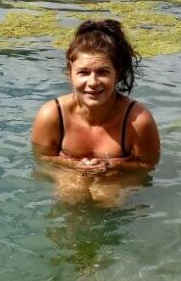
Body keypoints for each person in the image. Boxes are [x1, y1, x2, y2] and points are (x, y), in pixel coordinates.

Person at [31, 19, 160, 204]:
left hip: (116, 175)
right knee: (72, 195)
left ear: (118, 73)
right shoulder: (52, 114)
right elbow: (42, 158)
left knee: (106, 197)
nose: (93, 82)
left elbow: (147, 165)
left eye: (103, 72)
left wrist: (112, 165)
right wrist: (74, 166)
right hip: (69, 172)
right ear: (70, 74)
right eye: (83, 72)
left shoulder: (138, 120)